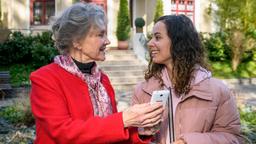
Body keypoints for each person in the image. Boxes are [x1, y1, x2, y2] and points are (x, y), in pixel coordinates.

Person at [30, 2, 164, 144]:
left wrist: (142, 132)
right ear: (77, 41)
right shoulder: (45, 79)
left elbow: (111, 133)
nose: (108, 41)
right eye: (101, 34)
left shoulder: (102, 79)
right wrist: (123, 119)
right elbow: (63, 133)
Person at [132, 14, 243, 144]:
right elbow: (132, 138)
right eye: (151, 38)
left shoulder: (218, 91)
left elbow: (232, 138)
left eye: (157, 37)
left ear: (178, 41)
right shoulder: (143, 91)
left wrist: (189, 141)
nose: (150, 43)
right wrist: (144, 135)